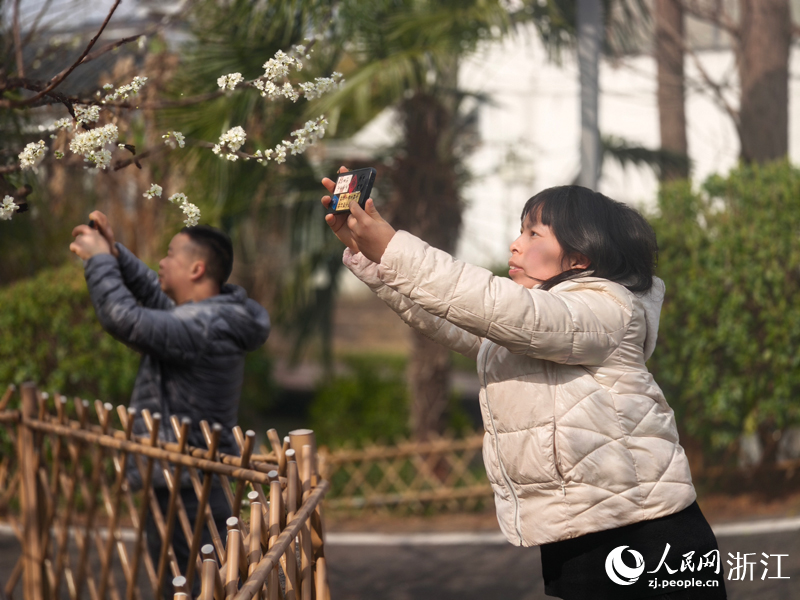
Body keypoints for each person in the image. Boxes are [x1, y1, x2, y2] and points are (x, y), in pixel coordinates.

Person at [321, 171, 726, 600]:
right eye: (519, 231)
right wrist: (368, 252)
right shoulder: (533, 324)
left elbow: (501, 307)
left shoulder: (607, 308)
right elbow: (452, 316)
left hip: (647, 533)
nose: (516, 244)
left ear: (580, 257)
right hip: (577, 534)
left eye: (535, 233)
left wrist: (393, 245)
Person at [69, 211, 270, 594]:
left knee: (190, 587)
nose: (160, 261)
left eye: (170, 253)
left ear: (196, 269)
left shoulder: (202, 326)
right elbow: (153, 294)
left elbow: (124, 318)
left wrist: (99, 260)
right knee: (188, 583)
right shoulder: (207, 317)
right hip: (183, 478)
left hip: (186, 483)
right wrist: (114, 252)